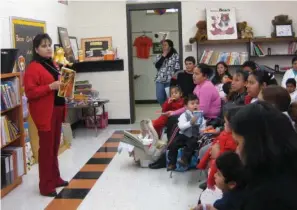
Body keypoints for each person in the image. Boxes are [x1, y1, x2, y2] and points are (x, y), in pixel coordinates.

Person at [24, 33, 68, 197]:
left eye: (49, 45)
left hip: (57, 109)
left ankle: (55, 178)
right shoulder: (33, 68)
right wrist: (51, 86)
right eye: (43, 45)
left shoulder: (53, 64)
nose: (48, 48)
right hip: (45, 113)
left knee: (54, 147)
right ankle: (46, 185)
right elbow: (30, 92)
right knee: (46, 150)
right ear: (36, 49)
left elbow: (59, 86)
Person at [231, 101, 297, 210]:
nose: (236, 151)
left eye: (238, 143)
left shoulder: (266, 195)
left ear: (255, 144)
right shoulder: (285, 165)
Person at [197, 106, 240, 189]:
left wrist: (217, 153)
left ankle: (210, 183)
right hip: (218, 146)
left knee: (214, 163)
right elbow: (220, 136)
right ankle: (207, 176)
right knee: (203, 150)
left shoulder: (233, 140)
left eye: (226, 123)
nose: (224, 124)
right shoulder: (226, 131)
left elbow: (227, 154)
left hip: (223, 155)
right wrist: (215, 143)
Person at [167, 94, 206, 171]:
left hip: (194, 136)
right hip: (183, 135)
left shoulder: (200, 116)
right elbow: (181, 126)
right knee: (173, 144)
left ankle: (184, 160)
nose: (195, 105)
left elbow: (202, 128)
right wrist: (190, 123)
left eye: (197, 103)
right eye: (192, 103)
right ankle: (172, 163)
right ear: (186, 106)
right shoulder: (183, 115)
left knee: (192, 143)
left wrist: (202, 129)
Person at [154, 39, 180, 106]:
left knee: (170, 98)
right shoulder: (159, 55)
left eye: (165, 45)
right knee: (160, 97)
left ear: (170, 47)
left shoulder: (175, 56)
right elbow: (157, 66)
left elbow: (177, 68)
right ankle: (165, 110)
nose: (163, 46)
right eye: (162, 45)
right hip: (160, 80)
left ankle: (169, 112)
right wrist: (163, 56)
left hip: (170, 80)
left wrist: (175, 80)